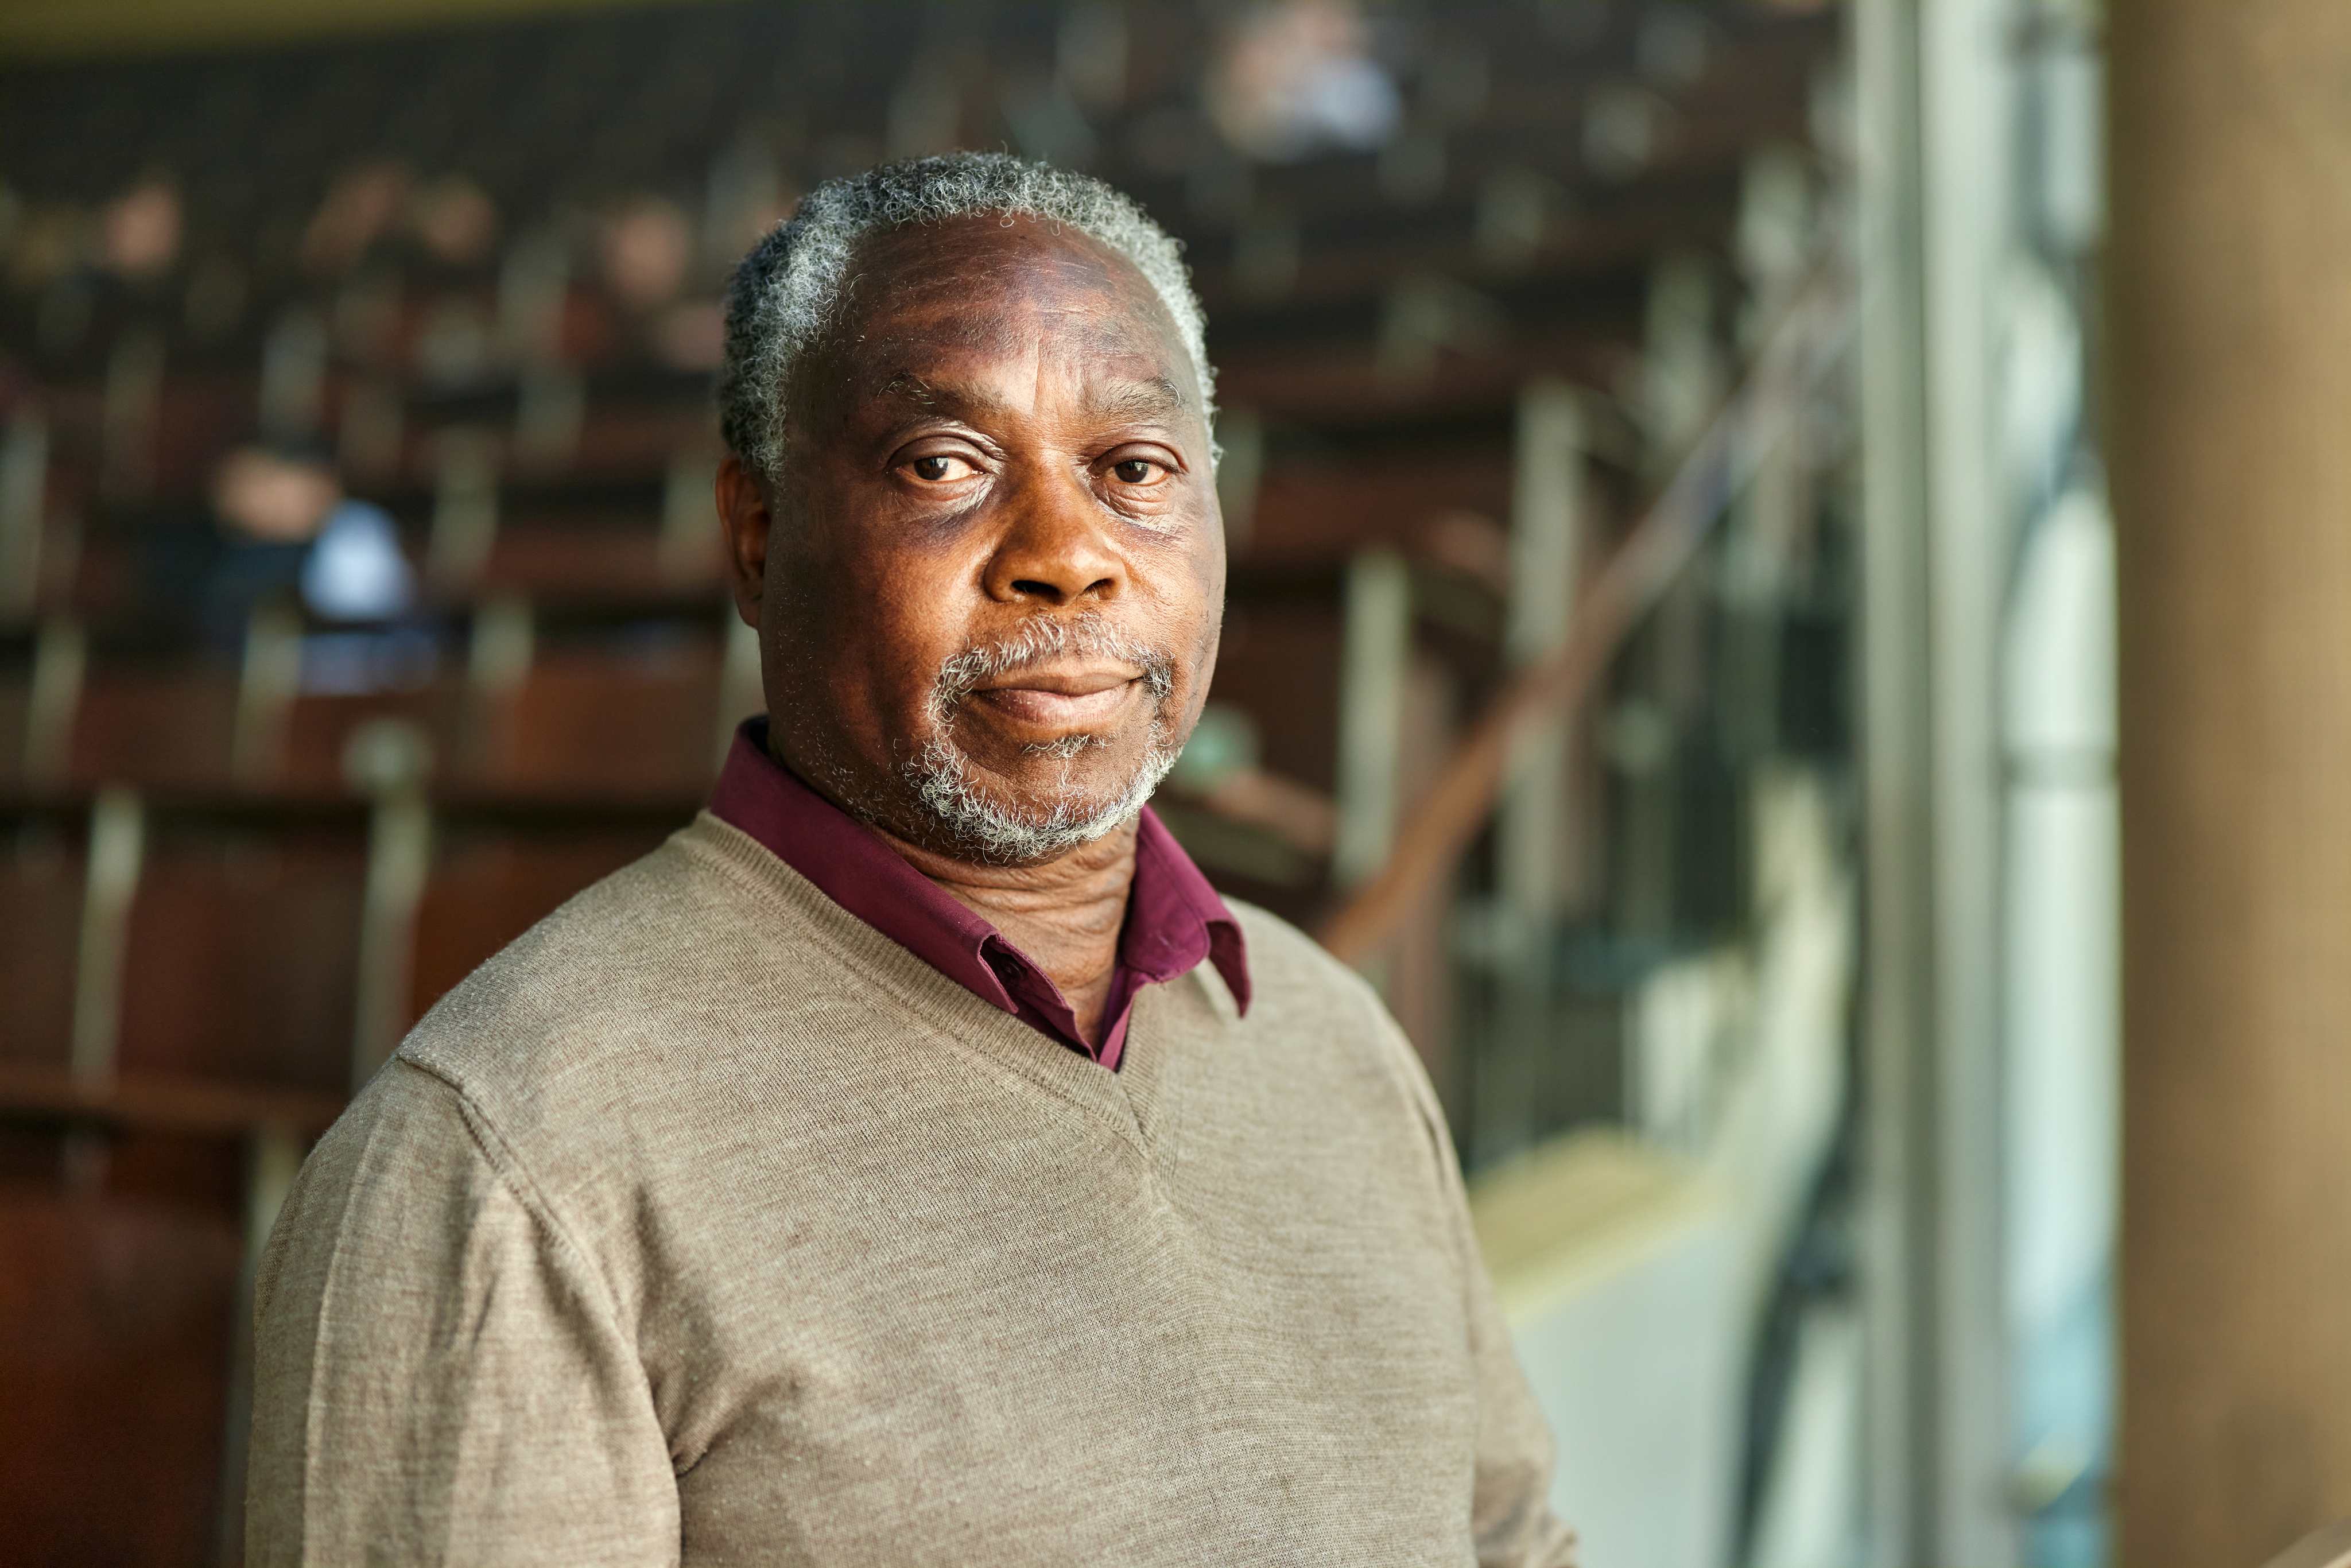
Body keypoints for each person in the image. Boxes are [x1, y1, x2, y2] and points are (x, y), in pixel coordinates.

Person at [245, 153, 1577, 1567]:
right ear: (757, 538)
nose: (1067, 554)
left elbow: (1507, 1540)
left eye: (1135, 471)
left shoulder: (1329, 1036)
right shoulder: (508, 1154)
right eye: (944, 464)